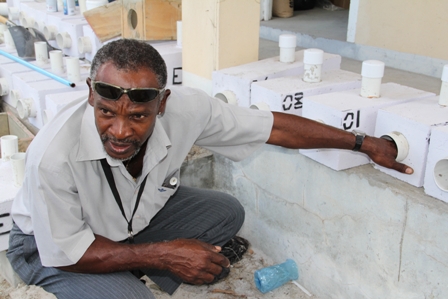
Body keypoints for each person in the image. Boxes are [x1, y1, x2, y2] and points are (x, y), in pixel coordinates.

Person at [7, 39, 413, 299]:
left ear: (162, 105)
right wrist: (165, 254)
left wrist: (362, 143)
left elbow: (276, 128)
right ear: (91, 95)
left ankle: (135, 264)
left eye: (139, 116)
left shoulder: (188, 109)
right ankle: (135, 272)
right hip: (49, 248)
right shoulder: (53, 156)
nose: (120, 130)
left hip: (128, 223)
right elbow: (67, 251)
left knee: (226, 213)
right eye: (106, 112)